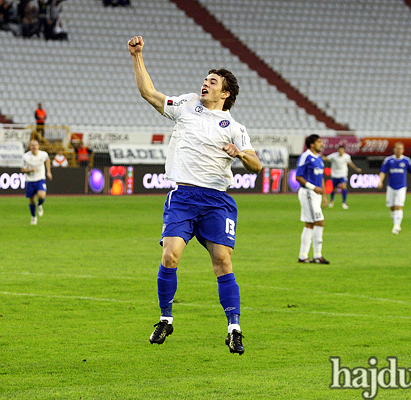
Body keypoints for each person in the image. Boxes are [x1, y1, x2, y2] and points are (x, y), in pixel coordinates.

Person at [128, 35, 262, 355]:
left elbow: (256, 164)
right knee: (170, 255)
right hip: (184, 197)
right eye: (204, 79)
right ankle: (165, 318)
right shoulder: (186, 105)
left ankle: (234, 327)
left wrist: (239, 154)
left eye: (212, 81)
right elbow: (149, 93)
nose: (205, 84)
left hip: (217, 199)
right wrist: (137, 55)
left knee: (222, 262)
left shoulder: (234, 127)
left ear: (224, 92)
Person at [295, 134, 329, 264]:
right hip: (308, 193)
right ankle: (317, 255)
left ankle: (303, 255)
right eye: (319, 142)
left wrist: (324, 195)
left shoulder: (319, 158)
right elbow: (298, 176)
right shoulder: (305, 156)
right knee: (320, 221)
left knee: (309, 224)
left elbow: (321, 178)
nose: (321, 144)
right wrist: (313, 187)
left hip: (316, 194)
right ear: (312, 144)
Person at [377, 142, 411, 234]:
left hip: (401, 187)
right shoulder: (388, 160)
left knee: (398, 206)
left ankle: (396, 226)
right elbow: (382, 172)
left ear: (403, 150)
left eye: (401, 148)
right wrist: (380, 181)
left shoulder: (406, 160)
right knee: (392, 207)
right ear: (394, 149)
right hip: (391, 187)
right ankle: (396, 224)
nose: (399, 150)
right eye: (397, 148)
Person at [21, 139, 52, 225]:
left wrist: (48, 171)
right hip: (30, 180)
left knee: (42, 195)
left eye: (35, 145)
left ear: (38, 146)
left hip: (40, 178)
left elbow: (48, 160)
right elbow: (22, 170)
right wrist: (30, 170)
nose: (34, 147)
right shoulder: (26, 157)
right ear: (30, 147)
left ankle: (39, 204)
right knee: (31, 201)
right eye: (32, 145)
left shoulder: (43, 154)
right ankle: (33, 217)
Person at [323, 145, 362, 209]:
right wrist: (320, 156)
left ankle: (344, 202)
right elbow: (326, 158)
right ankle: (332, 200)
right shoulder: (334, 156)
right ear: (338, 150)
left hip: (343, 175)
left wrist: (356, 169)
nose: (341, 151)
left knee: (344, 187)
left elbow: (350, 163)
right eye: (339, 150)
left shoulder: (347, 157)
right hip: (335, 175)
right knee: (334, 189)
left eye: (342, 150)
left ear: (344, 150)